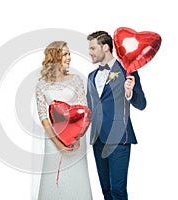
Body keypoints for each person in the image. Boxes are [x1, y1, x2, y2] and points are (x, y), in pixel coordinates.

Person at [86, 31, 146, 199]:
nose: (89, 52)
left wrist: (130, 93)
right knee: (105, 190)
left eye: (92, 48)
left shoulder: (127, 70)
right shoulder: (91, 77)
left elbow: (141, 104)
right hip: (97, 140)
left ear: (105, 47)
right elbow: (89, 108)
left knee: (117, 191)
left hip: (119, 139)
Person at [33, 41, 92, 200]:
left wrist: (77, 139)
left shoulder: (76, 80)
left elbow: (84, 109)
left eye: (69, 54)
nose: (69, 58)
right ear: (55, 57)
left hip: (76, 139)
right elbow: (43, 116)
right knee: (53, 178)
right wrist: (58, 143)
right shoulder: (42, 85)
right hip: (52, 139)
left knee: (76, 176)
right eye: (65, 54)